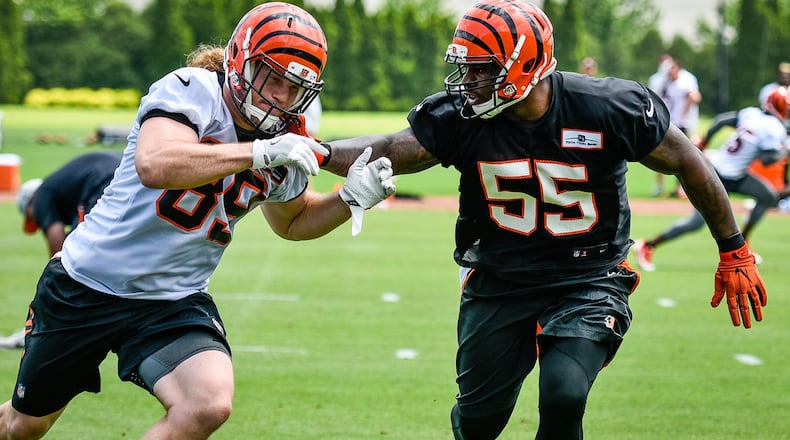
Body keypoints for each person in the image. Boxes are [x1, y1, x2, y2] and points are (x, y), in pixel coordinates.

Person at [319, 1, 767, 438]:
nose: (469, 81)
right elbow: (393, 149)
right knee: (478, 424)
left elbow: (688, 160)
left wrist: (734, 249)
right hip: (499, 276)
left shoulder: (606, 107)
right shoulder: (463, 117)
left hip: (588, 275)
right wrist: (317, 152)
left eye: (482, 69)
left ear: (525, 66)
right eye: (467, 67)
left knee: (563, 394)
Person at [0, 3, 394, 439]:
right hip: (88, 284)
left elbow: (293, 221)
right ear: (242, 61)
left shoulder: (289, 140)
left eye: (295, 86)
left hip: (173, 298)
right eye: (273, 77)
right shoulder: (194, 91)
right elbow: (156, 164)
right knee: (24, 426)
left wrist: (349, 198)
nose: (282, 95)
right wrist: (257, 153)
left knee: (206, 404)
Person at [633, 86, 790, 272]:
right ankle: (648, 245)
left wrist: (706, 141)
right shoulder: (774, 128)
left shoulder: (751, 114)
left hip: (733, 173)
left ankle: (744, 242)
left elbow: (721, 121)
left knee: (768, 196)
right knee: (696, 222)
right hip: (719, 176)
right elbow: (766, 160)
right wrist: (785, 150)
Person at [0, 151, 124, 350]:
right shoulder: (62, 189)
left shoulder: (40, 197)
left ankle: (52, 329)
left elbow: (57, 244)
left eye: (33, 218)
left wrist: (56, 284)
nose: (38, 222)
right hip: (124, 175)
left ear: (29, 205)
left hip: (102, 184)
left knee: (74, 269)